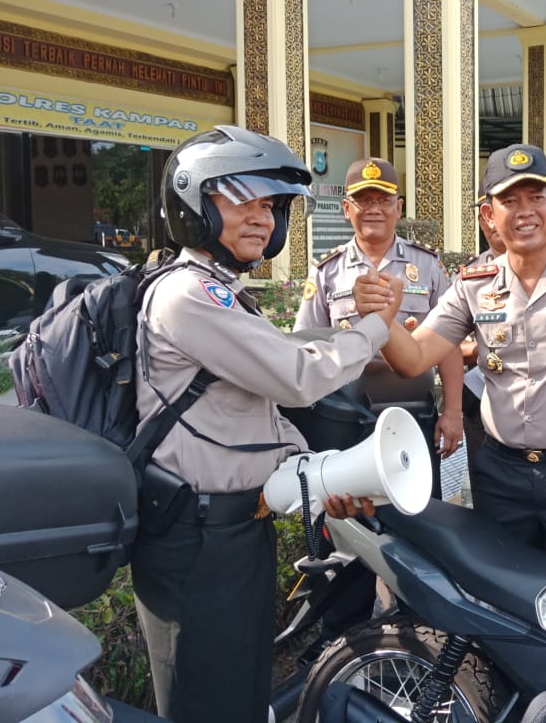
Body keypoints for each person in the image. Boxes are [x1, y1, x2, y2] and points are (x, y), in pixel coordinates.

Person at [131, 126, 393, 723]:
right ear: (193, 204)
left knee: (242, 682)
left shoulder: (224, 291)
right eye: (239, 198)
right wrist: (375, 326)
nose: (260, 217)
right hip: (196, 534)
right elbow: (296, 376)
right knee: (205, 695)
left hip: (234, 526)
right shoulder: (189, 295)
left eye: (270, 205)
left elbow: (255, 408)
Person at [354, 144, 546, 559]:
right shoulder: (473, 285)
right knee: (502, 602)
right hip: (502, 477)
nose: (525, 211)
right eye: (509, 200)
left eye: (536, 197)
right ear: (488, 214)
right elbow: (412, 359)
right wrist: (382, 318)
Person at [293, 157, 465, 496]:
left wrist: (453, 412)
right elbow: (306, 346)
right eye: (363, 200)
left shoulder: (428, 266)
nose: (374, 209)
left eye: (383, 200)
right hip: (347, 417)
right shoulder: (327, 271)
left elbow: (449, 346)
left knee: (419, 511)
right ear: (346, 208)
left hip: (413, 412)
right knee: (350, 520)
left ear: (398, 208)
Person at [459, 194, 507, 480]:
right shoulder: (471, 276)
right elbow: (448, 344)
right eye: (485, 214)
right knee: (487, 489)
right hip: (482, 397)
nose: (493, 222)